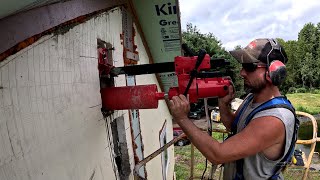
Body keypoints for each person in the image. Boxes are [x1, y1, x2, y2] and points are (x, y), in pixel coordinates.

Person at [169, 38, 297, 179]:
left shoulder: (273, 119)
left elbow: (218, 154)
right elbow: (234, 127)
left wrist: (182, 118)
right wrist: (223, 104)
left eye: (249, 67)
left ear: (274, 71)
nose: (242, 72)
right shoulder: (251, 99)